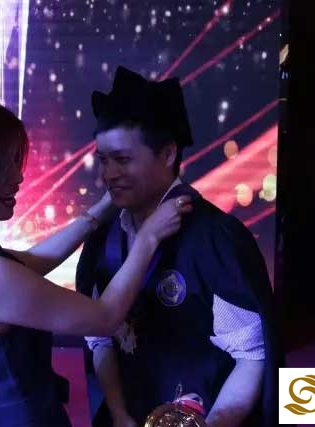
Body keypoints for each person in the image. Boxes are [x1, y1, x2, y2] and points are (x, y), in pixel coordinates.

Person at [0, 92, 192, 427]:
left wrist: (101, 210)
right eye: (6, 163)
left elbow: (32, 261)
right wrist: (148, 238)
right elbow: (105, 317)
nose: (18, 177)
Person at [76, 66, 283, 427]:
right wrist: (119, 414)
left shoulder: (215, 238)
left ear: (168, 153)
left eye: (122, 159)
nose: (108, 174)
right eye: (103, 160)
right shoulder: (102, 237)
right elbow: (101, 340)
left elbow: (251, 355)